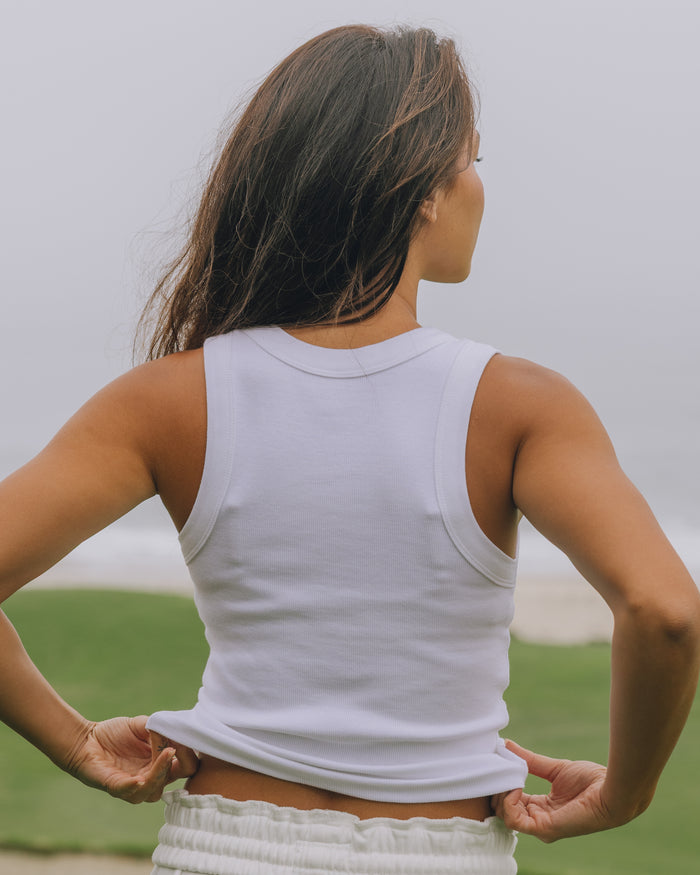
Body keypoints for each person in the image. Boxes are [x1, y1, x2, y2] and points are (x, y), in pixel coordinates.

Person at [0, 23, 698, 875]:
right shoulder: (521, 405)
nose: (481, 186)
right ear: (422, 190)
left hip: (221, 849)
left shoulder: (167, 400)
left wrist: (77, 742)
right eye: (473, 159)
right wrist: (626, 792)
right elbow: (665, 612)